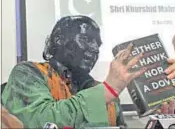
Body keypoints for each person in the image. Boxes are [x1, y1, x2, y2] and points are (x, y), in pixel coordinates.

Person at [2, 16, 146, 128]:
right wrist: (107, 90)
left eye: (98, 44)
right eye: (86, 39)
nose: (95, 49)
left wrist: (162, 121)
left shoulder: (103, 91)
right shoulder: (28, 73)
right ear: (58, 40)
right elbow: (40, 122)